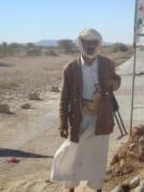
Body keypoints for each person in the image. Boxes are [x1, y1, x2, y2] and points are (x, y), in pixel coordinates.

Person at [50, 29, 121, 192]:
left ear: (98, 44)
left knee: (98, 156)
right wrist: (63, 124)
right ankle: (71, 189)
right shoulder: (70, 68)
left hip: (101, 118)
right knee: (74, 154)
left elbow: (116, 83)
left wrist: (114, 82)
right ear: (81, 44)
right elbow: (64, 98)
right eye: (86, 42)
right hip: (79, 119)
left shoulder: (108, 64)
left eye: (93, 42)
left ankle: (97, 188)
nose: (90, 46)